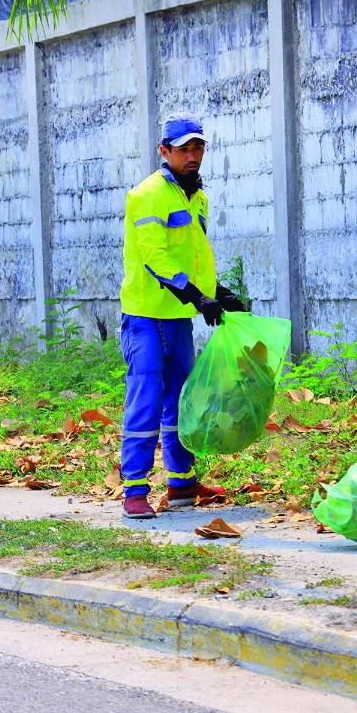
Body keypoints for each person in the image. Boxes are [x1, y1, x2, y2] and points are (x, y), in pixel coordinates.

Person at [118, 112, 247, 519]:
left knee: (182, 401)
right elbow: (154, 258)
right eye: (185, 149)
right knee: (146, 402)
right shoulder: (146, 195)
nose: (193, 156)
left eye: (199, 148)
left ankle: (181, 483)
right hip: (145, 318)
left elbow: (194, 257)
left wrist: (217, 293)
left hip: (177, 317)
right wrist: (197, 297)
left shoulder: (197, 196)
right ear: (165, 151)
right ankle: (134, 490)